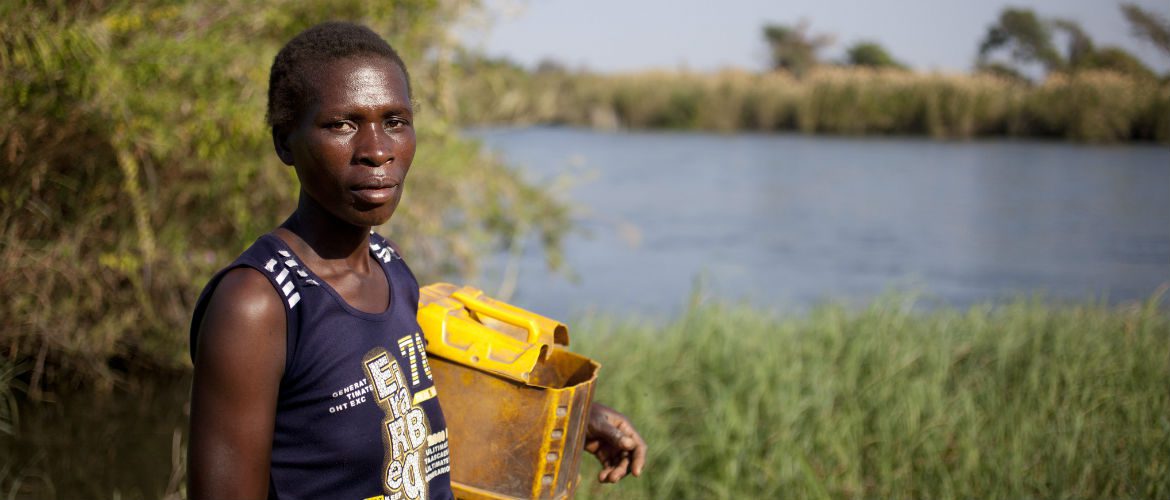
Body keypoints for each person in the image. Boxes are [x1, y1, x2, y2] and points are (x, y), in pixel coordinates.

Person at [188, 21, 646, 500]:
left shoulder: (389, 266)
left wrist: (569, 419)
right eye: (342, 125)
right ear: (285, 141)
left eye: (395, 121)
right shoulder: (257, 306)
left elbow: (401, 404)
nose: (377, 151)